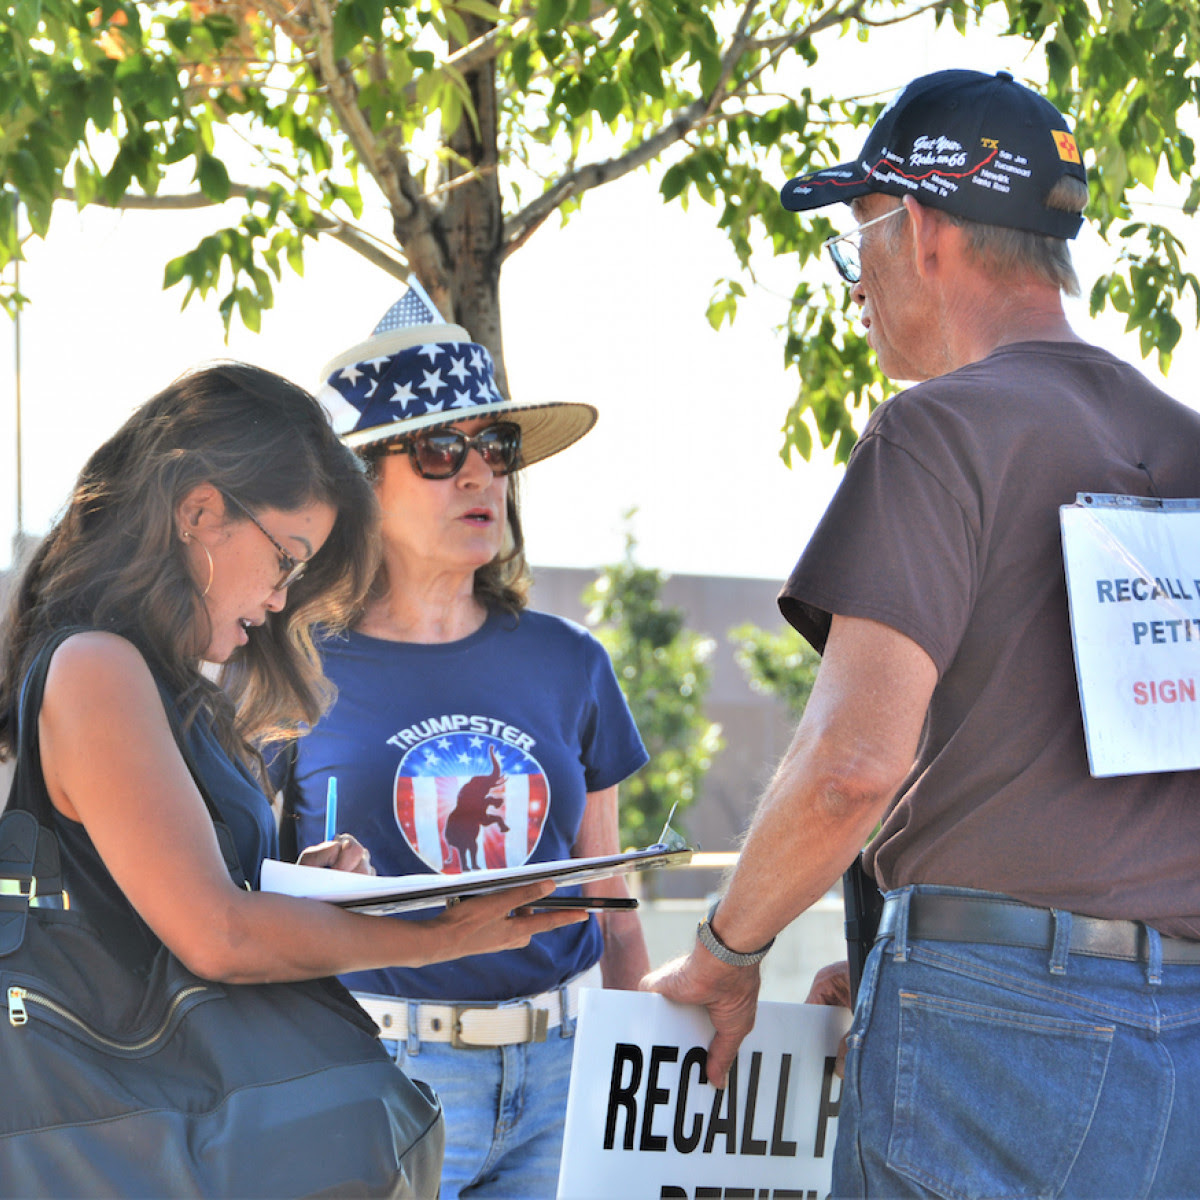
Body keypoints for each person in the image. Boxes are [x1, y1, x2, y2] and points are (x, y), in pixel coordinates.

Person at [644, 69, 1200, 1198]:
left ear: (926, 230)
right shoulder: (1182, 443)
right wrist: (905, 954)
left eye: (860, 242)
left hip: (990, 1036)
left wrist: (726, 952)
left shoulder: (935, 431)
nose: (857, 284)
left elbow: (850, 769)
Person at [0, 363, 584, 1055]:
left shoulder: (147, 678)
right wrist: (443, 935)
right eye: (287, 559)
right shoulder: (98, 668)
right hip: (116, 1141)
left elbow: (176, 919)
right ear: (200, 515)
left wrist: (302, 900)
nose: (281, 598)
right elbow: (220, 938)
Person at [277, 287, 651, 1199]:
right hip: (374, 1078)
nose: (482, 476)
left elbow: (608, 891)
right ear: (362, 481)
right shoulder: (285, 670)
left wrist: (654, 1055)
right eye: (443, 451)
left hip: (564, 1085)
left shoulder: (573, 663)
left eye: (498, 448)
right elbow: (239, 899)